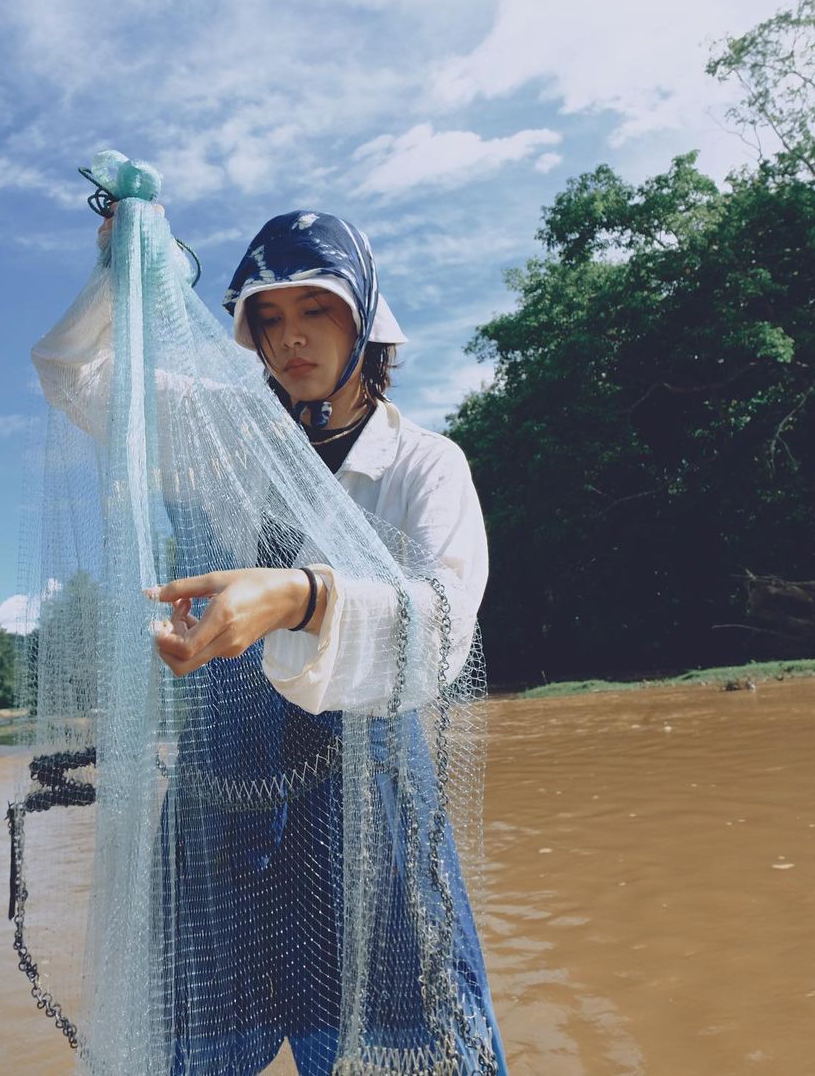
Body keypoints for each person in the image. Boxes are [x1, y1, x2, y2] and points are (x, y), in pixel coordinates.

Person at [31, 189, 507, 1074]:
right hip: (222, 814)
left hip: (369, 826)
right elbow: (71, 375)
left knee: (402, 1052)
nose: (291, 337)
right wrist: (126, 272)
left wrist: (298, 598)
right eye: (269, 316)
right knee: (191, 1050)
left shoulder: (422, 467)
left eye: (316, 310)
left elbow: (441, 629)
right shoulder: (225, 441)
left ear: (364, 318)